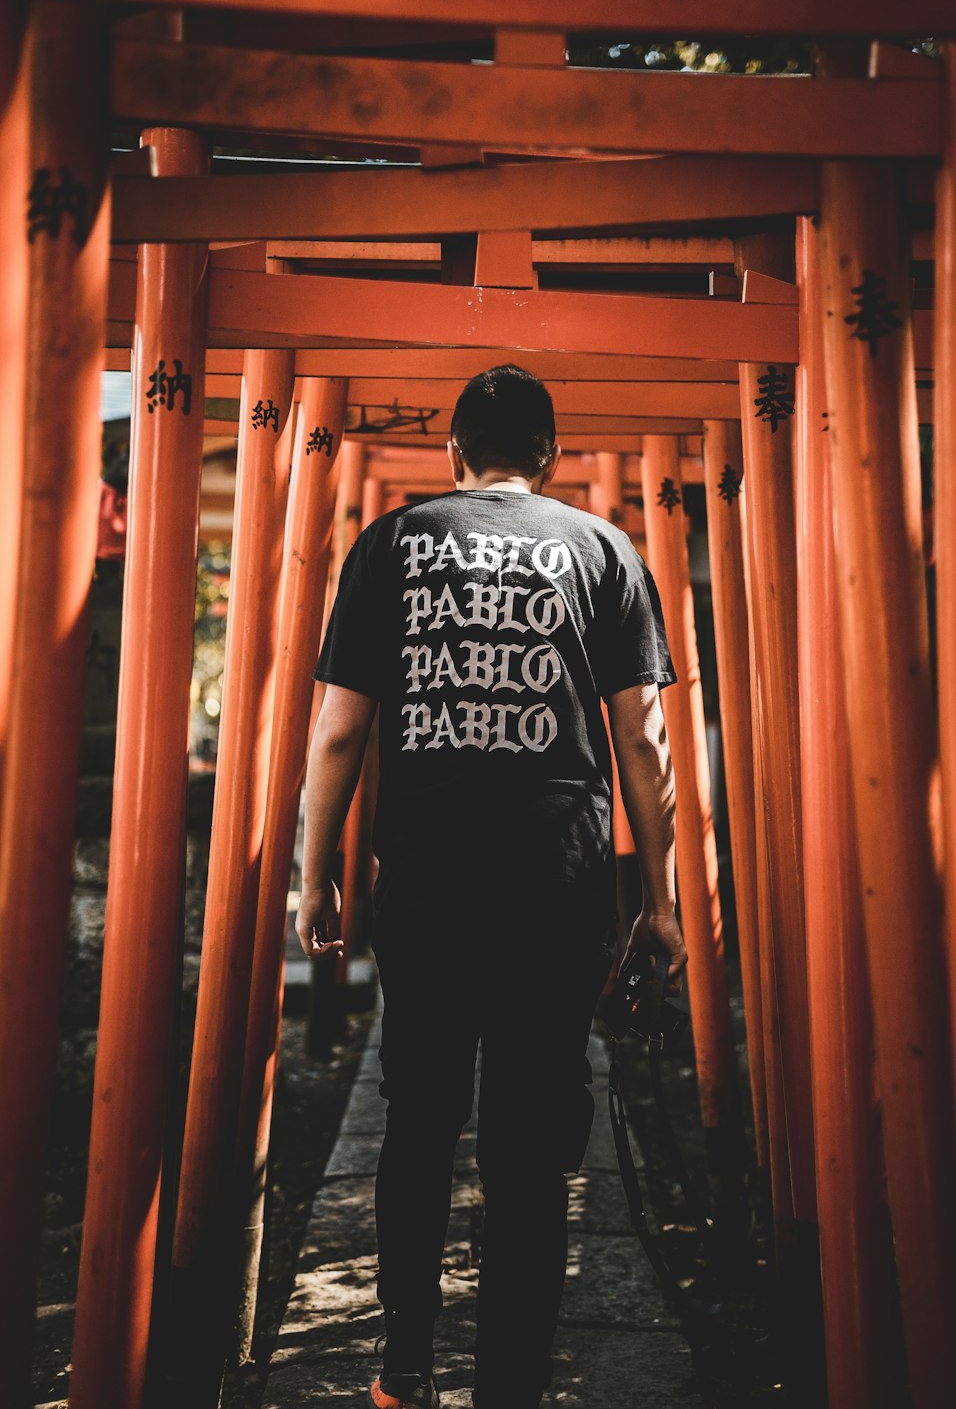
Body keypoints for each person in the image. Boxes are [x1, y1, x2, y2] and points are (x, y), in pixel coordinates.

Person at [297, 364, 687, 1409]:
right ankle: (512, 1380)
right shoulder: (602, 551)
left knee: (418, 1118)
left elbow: (339, 729)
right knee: (527, 1135)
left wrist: (315, 875)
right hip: (557, 880)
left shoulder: (390, 546)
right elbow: (642, 745)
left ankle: (404, 1368)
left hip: (426, 875)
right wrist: (663, 899)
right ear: (551, 455)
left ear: (452, 456)